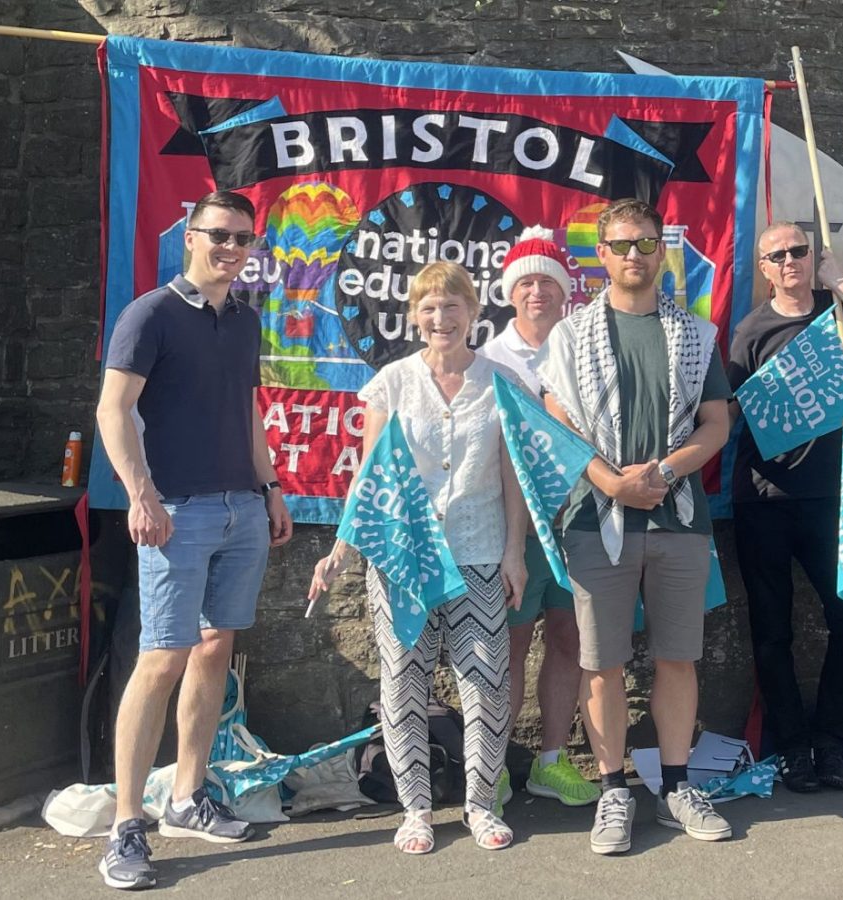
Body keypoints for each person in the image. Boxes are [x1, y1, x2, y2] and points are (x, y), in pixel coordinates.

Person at [94, 190, 292, 891]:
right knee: (163, 659)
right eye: (220, 236)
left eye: (244, 239)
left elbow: (247, 410)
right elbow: (113, 409)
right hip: (175, 512)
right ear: (190, 236)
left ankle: (187, 796)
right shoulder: (149, 314)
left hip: (242, 508)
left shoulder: (244, 319)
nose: (233, 249)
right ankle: (126, 825)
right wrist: (141, 495)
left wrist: (269, 489)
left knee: (216, 650)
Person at [309, 261, 527, 854]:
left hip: (479, 553)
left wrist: (515, 551)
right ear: (414, 316)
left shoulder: (500, 382)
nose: (441, 317)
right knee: (403, 683)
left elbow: (514, 476)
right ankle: (417, 810)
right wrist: (339, 550)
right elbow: (368, 475)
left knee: (486, 683)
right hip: (404, 560)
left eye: (452, 305)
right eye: (429, 307)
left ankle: (481, 805)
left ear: (474, 312)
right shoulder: (393, 383)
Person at [539, 199, 734, 854]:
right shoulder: (568, 339)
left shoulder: (693, 334)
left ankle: (676, 786)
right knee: (602, 663)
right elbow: (556, 421)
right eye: (621, 245)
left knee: (678, 656)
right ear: (603, 252)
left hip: (678, 518)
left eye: (646, 244)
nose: (633, 256)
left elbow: (716, 423)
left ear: (661, 250)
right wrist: (611, 480)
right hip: (594, 519)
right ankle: (614, 789)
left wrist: (664, 474)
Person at [727, 222, 843, 792]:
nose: (788, 261)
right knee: (772, 632)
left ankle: (829, 736)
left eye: (798, 251)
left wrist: (842, 281)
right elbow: (728, 413)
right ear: (764, 266)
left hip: (838, 499)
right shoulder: (751, 330)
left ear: (812, 255)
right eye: (775, 254)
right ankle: (794, 745)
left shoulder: (839, 313)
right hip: (765, 499)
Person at [475, 226, 599, 810]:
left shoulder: (586, 348)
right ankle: (493, 766)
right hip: (516, 528)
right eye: (525, 282)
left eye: (547, 282)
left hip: (583, 517)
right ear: (510, 292)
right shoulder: (488, 361)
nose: (537, 292)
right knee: (510, 643)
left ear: (564, 291)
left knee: (572, 638)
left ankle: (550, 762)